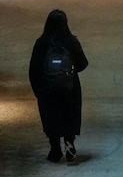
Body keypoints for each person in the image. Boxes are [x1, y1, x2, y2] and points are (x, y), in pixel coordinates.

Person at [29, 10, 89, 163]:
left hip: (47, 89)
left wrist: (38, 90)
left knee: (51, 117)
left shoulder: (41, 43)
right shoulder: (71, 41)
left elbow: (33, 69)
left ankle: (55, 149)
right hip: (69, 87)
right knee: (69, 115)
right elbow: (83, 64)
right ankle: (69, 141)